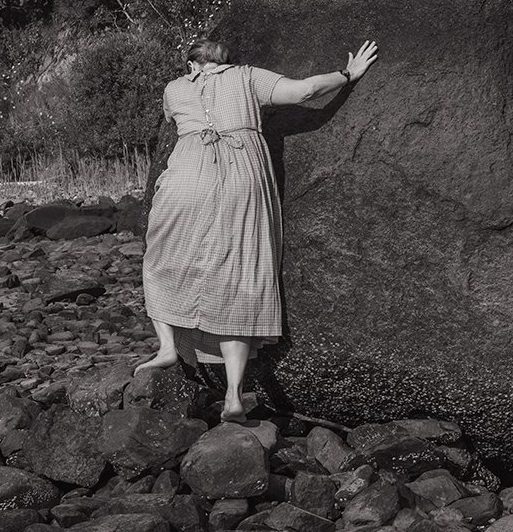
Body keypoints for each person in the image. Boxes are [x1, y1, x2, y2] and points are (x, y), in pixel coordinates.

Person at [132, 35, 378, 420]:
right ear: (227, 60)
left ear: (192, 64)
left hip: (186, 178)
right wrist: (348, 74)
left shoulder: (175, 88)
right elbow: (305, 91)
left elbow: (176, 118)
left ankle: (167, 347)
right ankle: (234, 396)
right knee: (239, 276)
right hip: (240, 176)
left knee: (160, 259)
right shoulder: (247, 76)